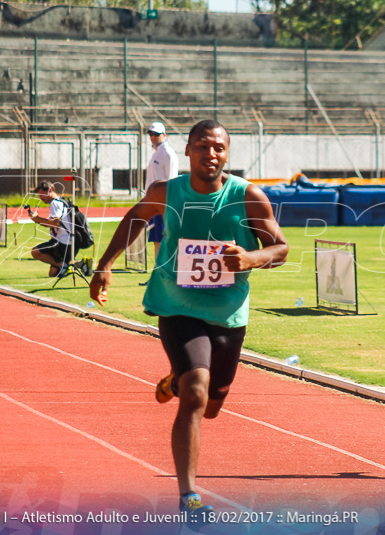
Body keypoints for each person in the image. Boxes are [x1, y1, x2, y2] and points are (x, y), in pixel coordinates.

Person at [90, 119, 288, 516]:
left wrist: (251, 258)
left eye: (218, 148)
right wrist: (104, 265)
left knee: (212, 404)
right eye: (202, 146)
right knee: (197, 391)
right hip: (175, 303)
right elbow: (134, 218)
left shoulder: (247, 196)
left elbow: (280, 248)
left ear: (227, 153)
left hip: (228, 312)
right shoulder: (167, 191)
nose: (210, 154)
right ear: (188, 151)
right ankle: (189, 495)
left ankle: (176, 381)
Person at [145, 121, 179, 260]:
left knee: (164, 240)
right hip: (153, 203)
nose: (153, 137)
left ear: (164, 135)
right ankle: (158, 274)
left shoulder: (168, 154)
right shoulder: (156, 154)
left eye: (156, 134)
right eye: (151, 134)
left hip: (163, 204)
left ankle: (165, 273)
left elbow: (171, 180)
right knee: (156, 240)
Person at [28, 181, 76, 278]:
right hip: (69, 241)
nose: (41, 198)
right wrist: (39, 220)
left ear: (50, 190)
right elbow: (53, 224)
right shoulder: (61, 201)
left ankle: (63, 265)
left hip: (62, 242)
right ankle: (79, 264)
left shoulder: (54, 203)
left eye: (42, 195)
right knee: (53, 274)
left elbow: (56, 223)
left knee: (35, 252)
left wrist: (37, 219)